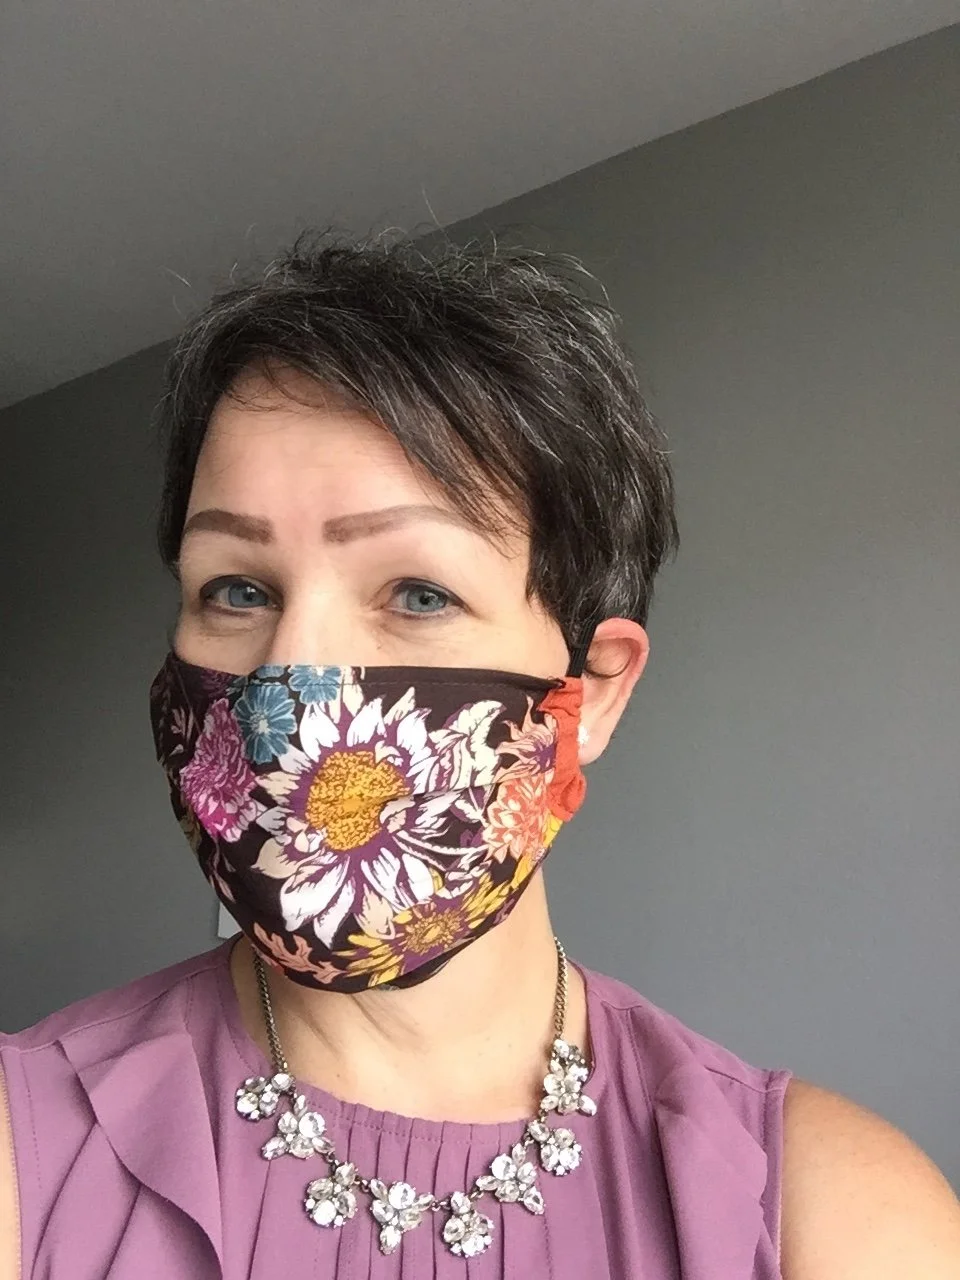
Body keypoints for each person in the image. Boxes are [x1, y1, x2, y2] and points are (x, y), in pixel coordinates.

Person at [1, 235, 958, 1280]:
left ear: (588, 693)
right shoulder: (29, 1149)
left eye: (418, 592)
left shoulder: (827, 1213)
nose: (290, 679)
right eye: (238, 587)